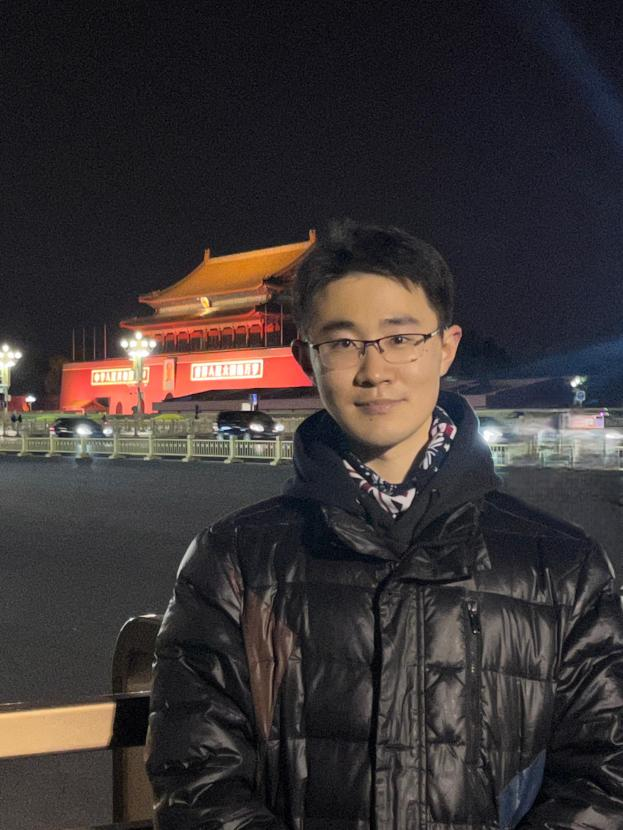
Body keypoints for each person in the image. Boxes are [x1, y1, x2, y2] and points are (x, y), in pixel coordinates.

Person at [145, 220, 623, 829]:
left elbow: (605, 776)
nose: (375, 371)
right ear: (305, 357)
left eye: (401, 338)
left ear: (446, 346)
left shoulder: (561, 563)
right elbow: (197, 781)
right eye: (343, 343)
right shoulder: (234, 560)